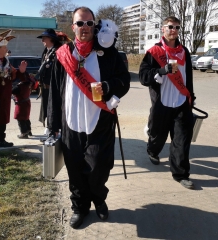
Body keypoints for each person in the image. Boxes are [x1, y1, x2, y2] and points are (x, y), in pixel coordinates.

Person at [47, 7, 130, 229]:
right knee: (74, 170)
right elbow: (54, 91)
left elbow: (124, 81)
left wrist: (108, 86)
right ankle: (79, 207)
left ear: (95, 26)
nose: (85, 28)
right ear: (73, 27)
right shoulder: (63, 54)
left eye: (89, 24)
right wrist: (52, 124)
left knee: (98, 168)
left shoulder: (109, 52)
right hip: (71, 123)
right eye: (80, 23)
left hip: (100, 122)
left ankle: (99, 199)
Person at [139, 16, 196, 189]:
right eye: (170, 27)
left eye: (177, 27)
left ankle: (180, 174)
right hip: (162, 103)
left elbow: (188, 77)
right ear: (163, 29)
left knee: (181, 139)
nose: (174, 30)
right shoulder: (154, 52)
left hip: (181, 103)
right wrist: (161, 71)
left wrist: (191, 96)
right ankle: (152, 150)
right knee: (158, 135)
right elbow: (143, 76)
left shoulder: (184, 51)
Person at [36, 29, 64, 135]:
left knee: (56, 108)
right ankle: (50, 126)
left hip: (55, 86)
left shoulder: (58, 51)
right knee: (47, 108)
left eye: (44, 38)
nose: (42, 40)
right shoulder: (46, 51)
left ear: (51, 39)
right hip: (45, 86)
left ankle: (57, 129)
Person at [12, 72, 35, 139]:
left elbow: (12, 91)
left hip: (21, 104)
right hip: (26, 103)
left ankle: (24, 133)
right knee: (26, 118)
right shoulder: (28, 84)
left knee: (21, 119)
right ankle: (29, 130)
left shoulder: (20, 86)